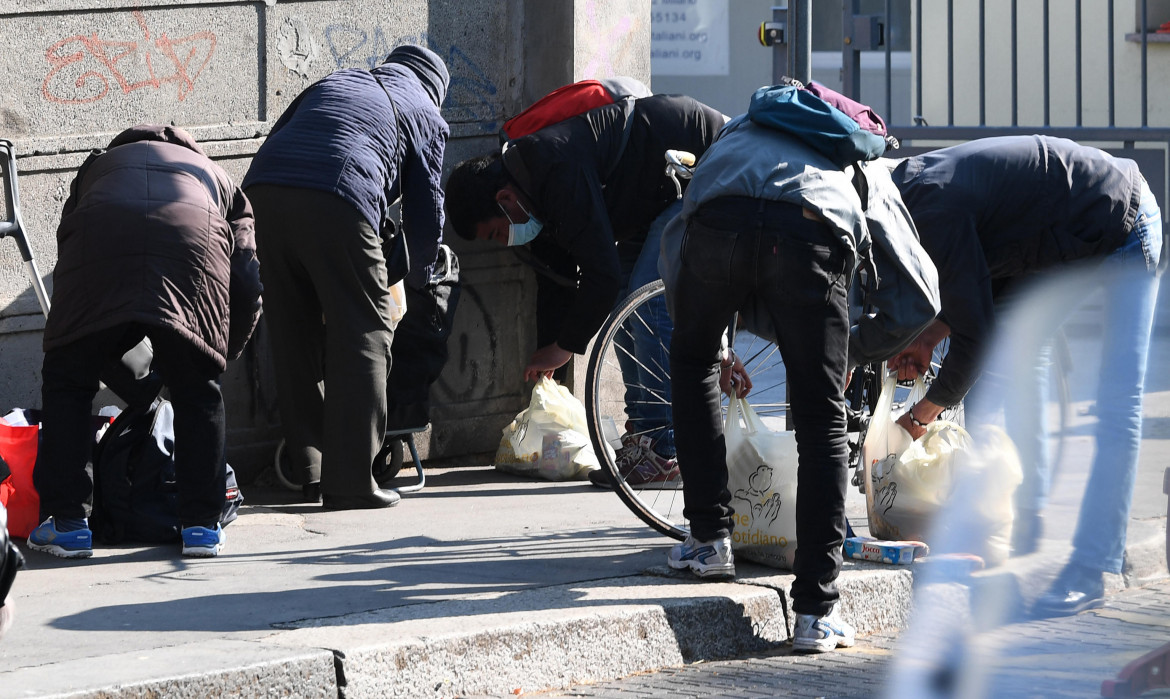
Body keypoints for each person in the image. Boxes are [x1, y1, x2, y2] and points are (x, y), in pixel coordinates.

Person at [660, 95, 940, 653]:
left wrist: (711, 341)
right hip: (809, 232)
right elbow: (921, 295)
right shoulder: (855, 155)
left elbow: (680, 240)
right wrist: (854, 353)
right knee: (820, 418)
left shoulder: (737, 132)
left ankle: (709, 541)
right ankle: (816, 611)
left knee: (690, 365)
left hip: (719, 222)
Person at [885, 135, 1164, 616]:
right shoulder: (913, 197)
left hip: (1124, 219)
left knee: (1118, 406)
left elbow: (973, 334)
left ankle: (1092, 568)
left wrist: (921, 416)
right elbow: (971, 288)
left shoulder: (929, 211)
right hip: (1052, 245)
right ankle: (1022, 516)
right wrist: (928, 339)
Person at [444, 91, 727, 485]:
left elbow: (601, 274)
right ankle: (646, 437)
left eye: (496, 233)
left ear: (504, 198)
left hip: (700, 165)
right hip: (650, 192)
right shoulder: (531, 188)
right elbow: (559, 279)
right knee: (623, 307)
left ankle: (665, 448)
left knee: (645, 302)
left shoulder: (553, 168)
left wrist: (563, 348)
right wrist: (552, 350)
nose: (504, 241)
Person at [27, 124, 261, 559]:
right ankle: (201, 527)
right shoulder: (217, 176)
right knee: (198, 393)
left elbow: (72, 243)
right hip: (191, 253)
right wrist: (218, 354)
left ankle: (68, 525)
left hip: (101, 249)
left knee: (68, 381)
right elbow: (246, 277)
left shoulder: (97, 167)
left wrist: (93, 353)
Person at [242, 45, 450, 510]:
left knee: (293, 335)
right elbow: (426, 211)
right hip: (339, 193)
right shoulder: (425, 112)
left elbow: (282, 134)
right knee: (367, 332)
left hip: (262, 195)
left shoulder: (337, 81)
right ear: (436, 90)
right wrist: (419, 281)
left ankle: (311, 472)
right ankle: (352, 480)